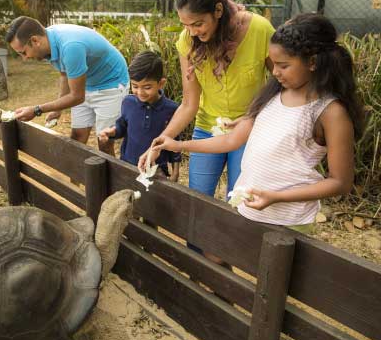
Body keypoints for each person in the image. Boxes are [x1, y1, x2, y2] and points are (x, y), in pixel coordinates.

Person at [151, 13, 364, 232]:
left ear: (312, 62)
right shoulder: (274, 95)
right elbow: (232, 140)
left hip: (288, 220)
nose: (275, 72)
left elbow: (340, 182)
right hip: (251, 208)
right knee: (216, 255)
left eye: (283, 65)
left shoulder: (331, 112)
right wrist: (178, 145)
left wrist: (277, 197)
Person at [138, 0, 275, 259]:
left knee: (238, 206)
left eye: (198, 23)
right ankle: (197, 268)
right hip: (206, 128)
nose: (192, 32)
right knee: (196, 204)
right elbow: (189, 103)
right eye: (185, 25)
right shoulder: (187, 41)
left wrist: (260, 116)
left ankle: (227, 273)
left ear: (218, 10)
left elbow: (282, 81)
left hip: (251, 131)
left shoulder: (260, 30)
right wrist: (162, 140)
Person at [5, 16, 129, 156]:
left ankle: (110, 178)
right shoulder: (48, 42)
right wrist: (58, 109)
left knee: (104, 142)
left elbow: (77, 97)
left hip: (111, 84)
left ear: (35, 40)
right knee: (77, 137)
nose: (24, 58)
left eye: (23, 52)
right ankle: (75, 177)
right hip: (87, 83)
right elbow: (64, 73)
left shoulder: (70, 47)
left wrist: (37, 110)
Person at [99, 51, 181, 182]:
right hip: (127, 165)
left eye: (147, 87)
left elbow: (175, 141)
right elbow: (122, 127)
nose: (140, 92)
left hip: (156, 169)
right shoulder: (128, 102)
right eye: (135, 86)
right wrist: (112, 132)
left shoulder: (172, 109)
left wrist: (175, 172)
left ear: (161, 83)